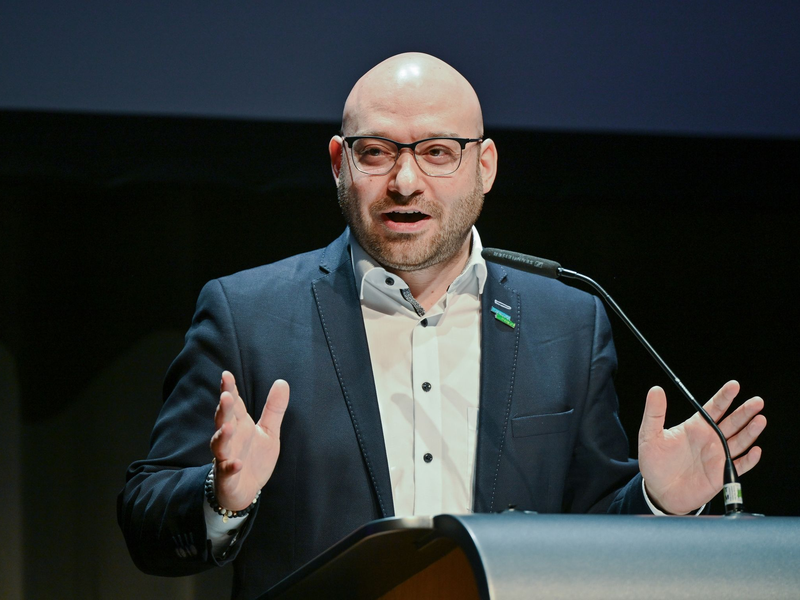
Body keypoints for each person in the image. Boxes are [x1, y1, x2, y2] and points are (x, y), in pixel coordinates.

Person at [118, 53, 766, 599]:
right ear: (339, 163)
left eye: (437, 152)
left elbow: (590, 533)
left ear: (485, 166)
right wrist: (223, 496)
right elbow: (147, 520)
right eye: (377, 153)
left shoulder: (568, 321)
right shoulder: (248, 314)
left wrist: (658, 502)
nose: (406, 181)